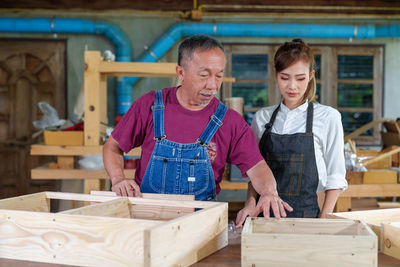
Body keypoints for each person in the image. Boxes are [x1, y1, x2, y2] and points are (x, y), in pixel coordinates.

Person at [103, 34, 293, 218]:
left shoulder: (230, 122)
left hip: (200, 224)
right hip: (146, 218)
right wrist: (118, 178)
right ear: (181, 73)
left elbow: (258, 167)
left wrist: (269, 192)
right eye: (204, 75)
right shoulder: (150, 106)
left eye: (219, 76)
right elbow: (113, 146)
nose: (212, 85)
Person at [236, 38, 347, 227]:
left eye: (300, 78)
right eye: (285, 78)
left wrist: (324, 221)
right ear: (275, 74)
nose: (292, 86)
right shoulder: (262, 118)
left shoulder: (328, 117)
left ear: (311, 75)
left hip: (310, 219)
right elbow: (254, 170)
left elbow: (335, 177)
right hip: (265, 218)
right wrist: (250, 204)